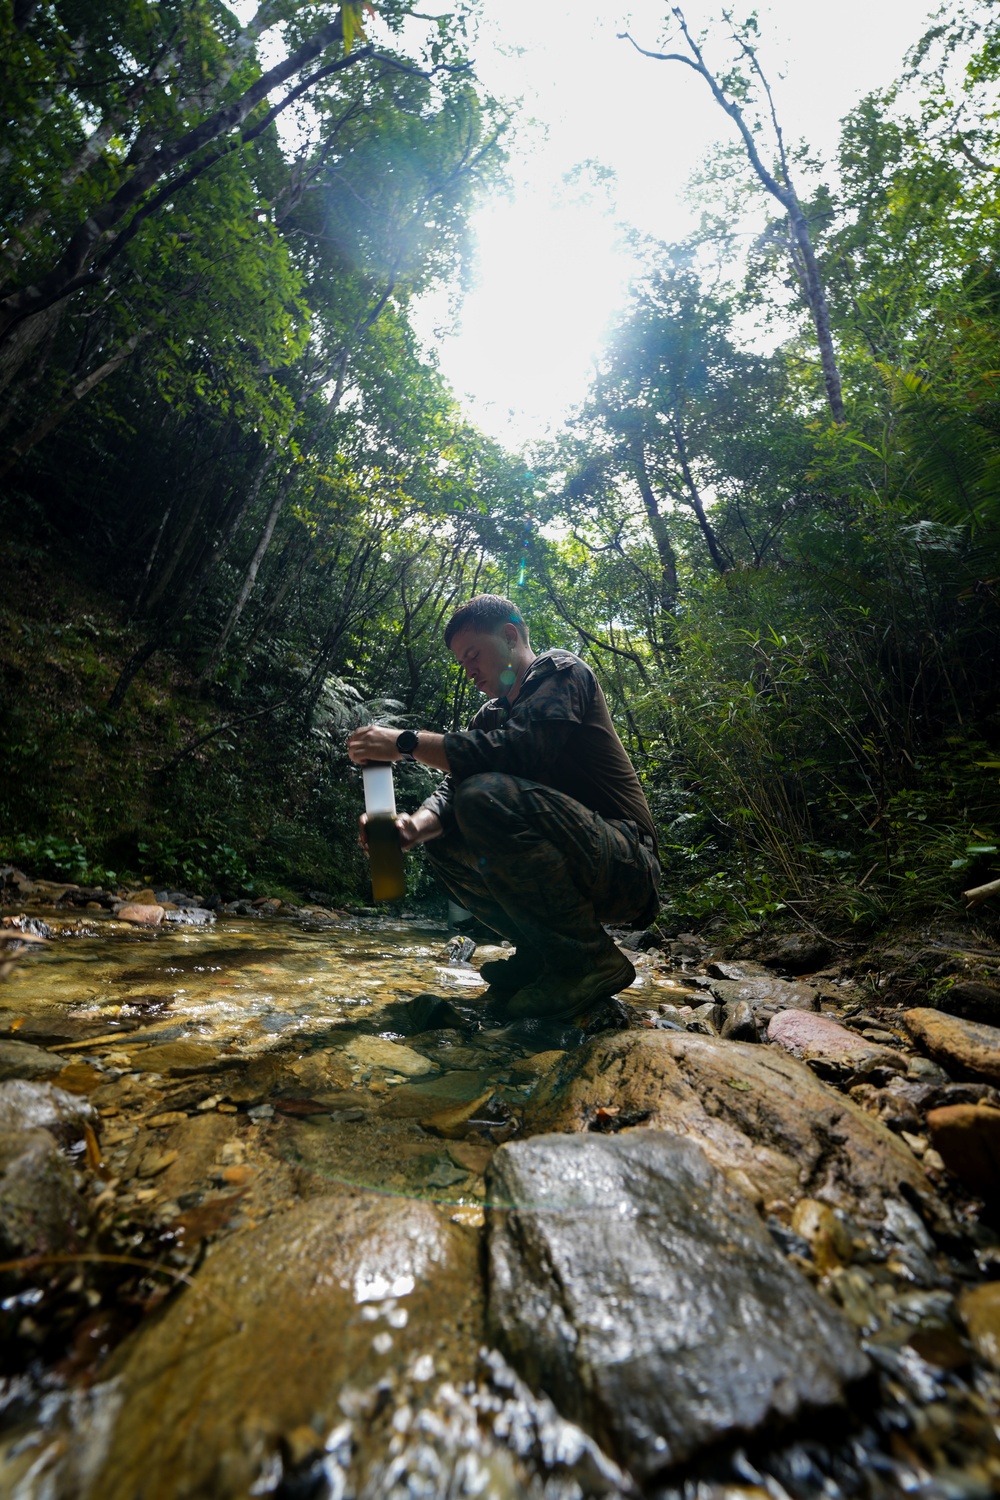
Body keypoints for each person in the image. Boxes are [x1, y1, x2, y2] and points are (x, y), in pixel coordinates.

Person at [346, 594, 660, 1019]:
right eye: (463, 662)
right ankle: (542, 953)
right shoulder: (490, 716)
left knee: (484, 795)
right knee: (444, 833)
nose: (470, 670)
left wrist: (405, 742)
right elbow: (452, 791)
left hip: (627, 863)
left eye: (474, 655)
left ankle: (586, 960)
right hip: (581, 859)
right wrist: (412, 828)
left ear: (510, 637)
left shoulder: (562, 671)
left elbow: (518, 753)